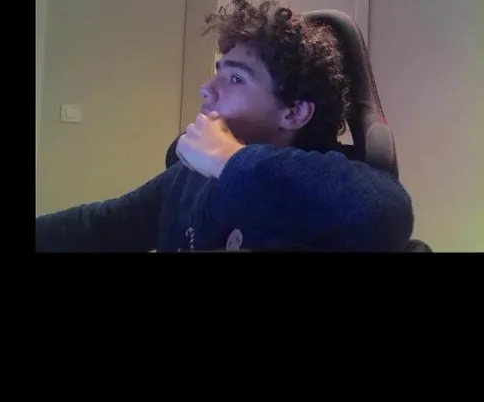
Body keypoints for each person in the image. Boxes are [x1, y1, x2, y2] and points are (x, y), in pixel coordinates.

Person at [35, 0, 414, 253]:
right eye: (218, 71)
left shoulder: (328, 181)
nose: (207, 88)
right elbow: (103, 225)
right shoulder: (189, 178)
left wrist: (230, 159)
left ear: (294, 112)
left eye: (236, 78)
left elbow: (388, 213)